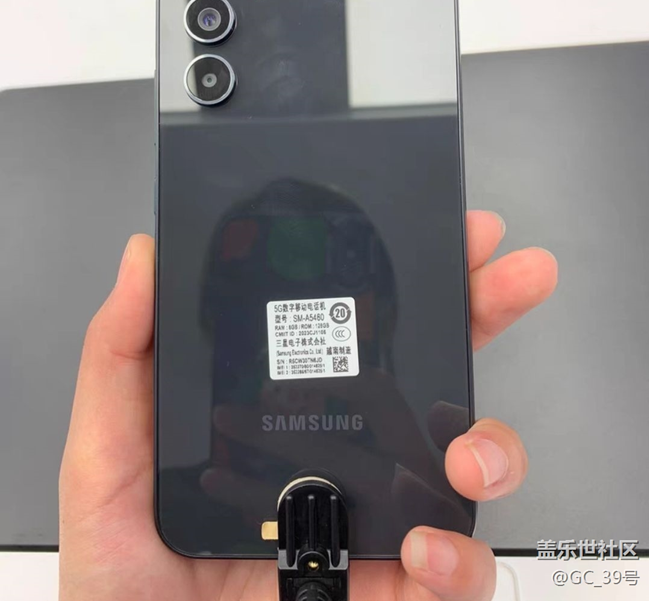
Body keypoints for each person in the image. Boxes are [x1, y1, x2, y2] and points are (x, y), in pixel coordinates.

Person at [59, 211, 557, 601]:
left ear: (381, 328)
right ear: (216, 328)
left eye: (332, 300)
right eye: (252, 304)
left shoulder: (403, 516)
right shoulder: (174, 521)